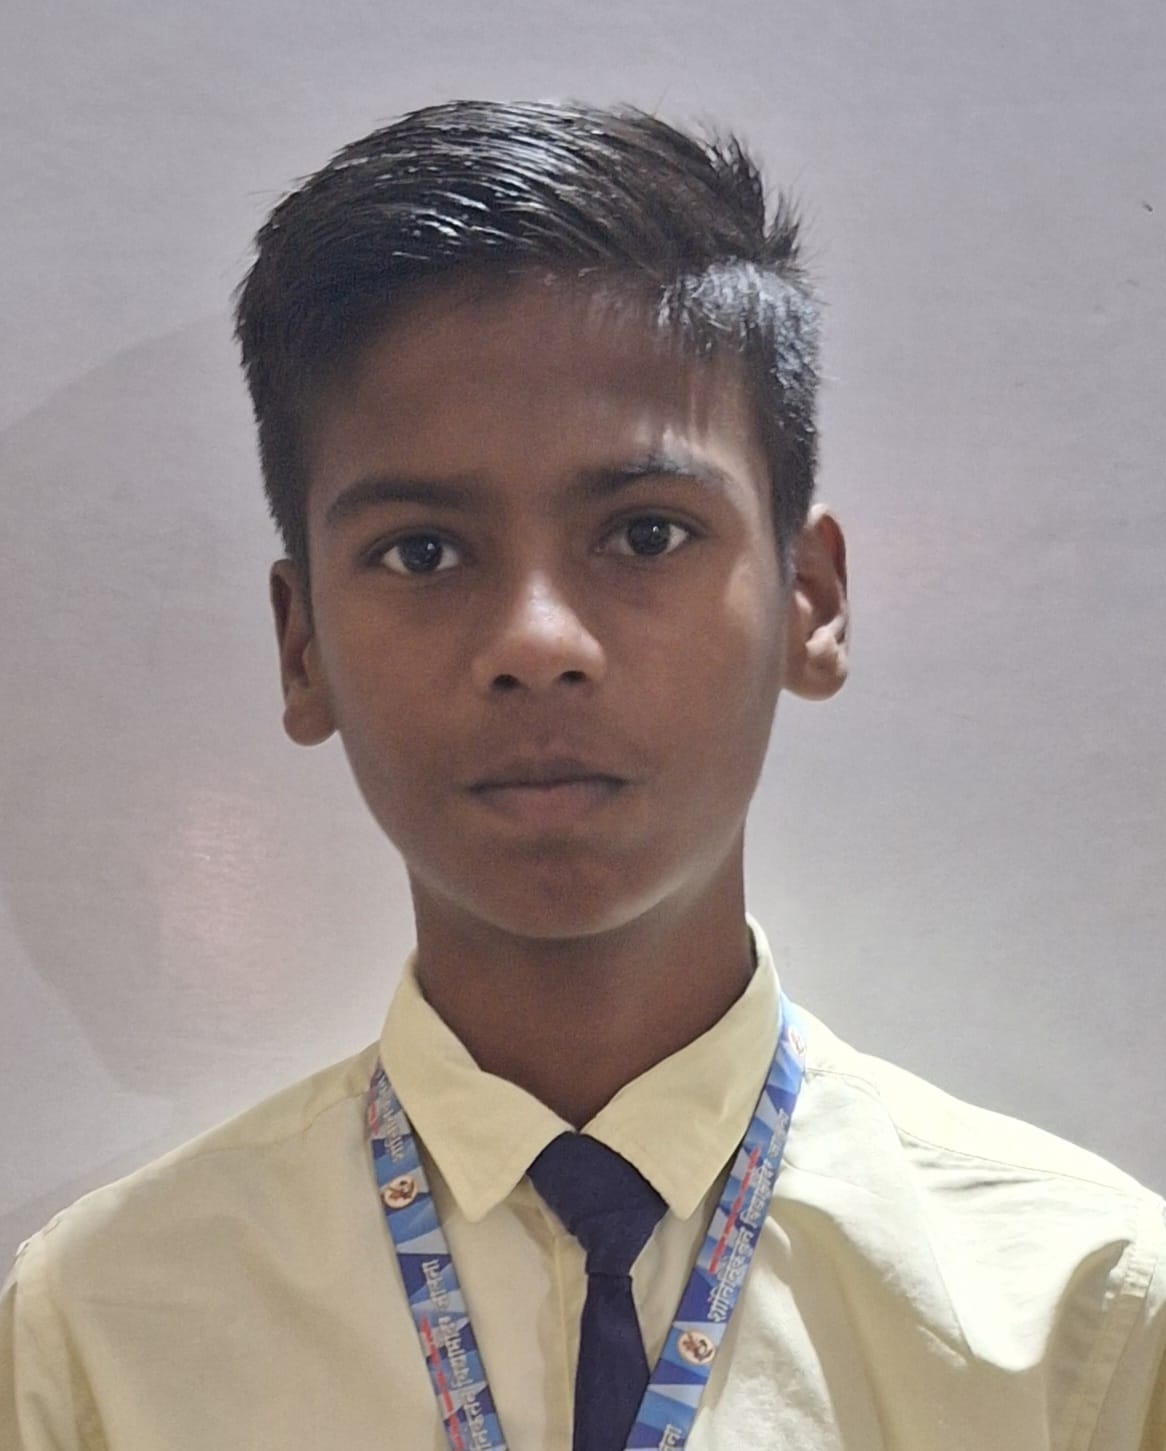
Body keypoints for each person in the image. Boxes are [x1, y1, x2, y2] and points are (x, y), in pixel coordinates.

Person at [1, 98, 1163, 1451]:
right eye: (424, 552)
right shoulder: (105, 1341)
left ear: (809, 598)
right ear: (302, 645)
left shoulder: (1083, 1328)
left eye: (646, 532)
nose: (535, 642)